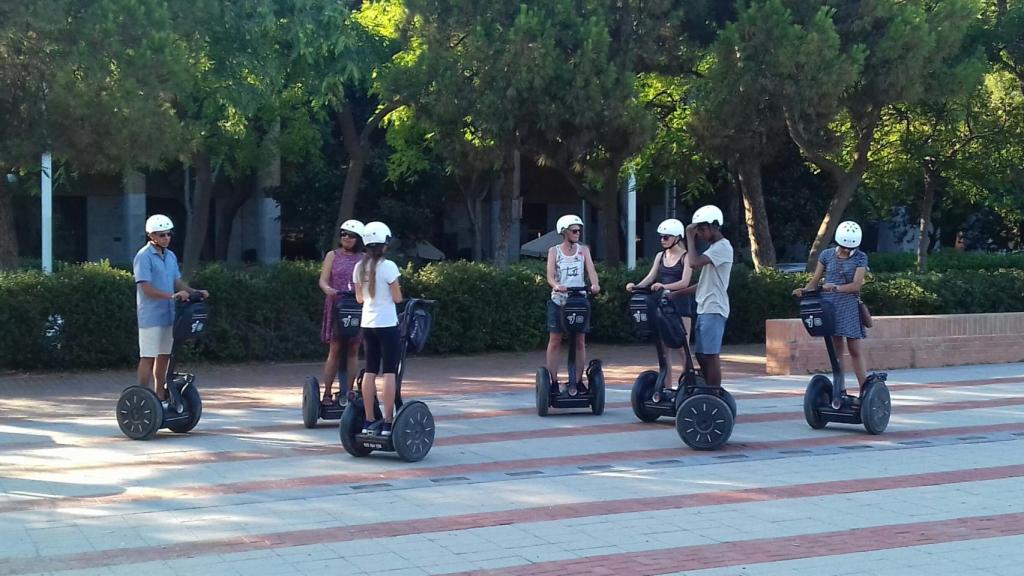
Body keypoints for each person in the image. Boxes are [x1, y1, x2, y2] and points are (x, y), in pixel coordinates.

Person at [133, 214, 209, 406]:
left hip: (169, 315)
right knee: (148, 357)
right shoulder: (143, 256)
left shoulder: (171, 256)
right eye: (161, 235)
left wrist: (194, 291)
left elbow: (176, 281)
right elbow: (146, 287)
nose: (166, 238)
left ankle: (159, 395)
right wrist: (171, 296)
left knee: (165, 356)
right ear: (152, 236)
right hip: (150, 316)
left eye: (168, 234)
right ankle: (142, 396)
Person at [793, 220, 870, 398]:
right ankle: (840, 388)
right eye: (843, 247)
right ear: (838, 242)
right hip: (829, 306)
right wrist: (804, 291)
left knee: (854, 349)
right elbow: (815, 280)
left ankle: (864, 389)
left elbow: (857, 285)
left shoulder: (860, 257)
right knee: (836, 349)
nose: (846, 251)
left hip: (849, 306)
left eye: (849, 248)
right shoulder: (827, 255)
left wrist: (836, 287)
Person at [626, 218, 695, 387]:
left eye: (666, 237)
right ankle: (666, 387)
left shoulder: (686, 257)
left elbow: (685, 282)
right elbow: (651, 277)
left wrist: (664, 286)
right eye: (661, 237)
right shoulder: (660, 256)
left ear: (677, 238)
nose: (662, 240)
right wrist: (636, 286)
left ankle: (687, 385)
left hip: (681, 307)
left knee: (682, 348)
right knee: (664, 350)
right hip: (664, 307)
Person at [352, 221, 403, 437]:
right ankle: (388, 422)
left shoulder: (358, 267)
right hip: (387, 324)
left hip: (368, 324)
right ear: (384, 244)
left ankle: (369, 420)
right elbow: (398, 298)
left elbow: (359, 298)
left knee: (370, 371)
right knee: (390, 372)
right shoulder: (389, 266)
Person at [545, 214, 600, 396]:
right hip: (559, 301)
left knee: (579, 341)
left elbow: (591, 270)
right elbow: (550, 276)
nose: (578, 233)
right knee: (555, 341)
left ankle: (577, 381)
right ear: (564, 232)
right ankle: (552, 382)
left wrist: (595, 284)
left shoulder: (583, 250)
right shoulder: (554, 251)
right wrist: (556, 286)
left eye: (579, 230)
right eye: (574, 230)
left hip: (579, 300)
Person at [681, 205, 733, 389]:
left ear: (715, 226)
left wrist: (689, 236)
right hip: (705, 308)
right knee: (701, 355)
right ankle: (708, 389)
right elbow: (702, 285)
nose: (700, 234)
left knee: (710, 355)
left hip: (714, 308)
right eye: (698, 230)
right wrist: (674, 295)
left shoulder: (722, 247)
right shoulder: (713, 250)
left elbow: (693, 263)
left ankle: (714, 393)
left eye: (702, 229)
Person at [318, 219, 365, 406]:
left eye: (351, 235)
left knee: (354, 348)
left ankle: (349, 392)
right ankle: (327, 393)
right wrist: (328, 290)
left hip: (356, 306)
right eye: (343, 234)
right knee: (335, 349)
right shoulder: (332, 255)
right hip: (337, 305)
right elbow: (322, 280)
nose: (346, 238)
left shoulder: (364, 258)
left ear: (358, 239)